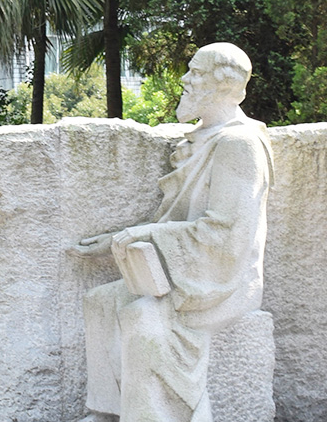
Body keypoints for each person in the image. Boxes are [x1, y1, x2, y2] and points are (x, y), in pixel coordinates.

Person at [74, 43, 274, 422]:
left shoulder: (239, 144)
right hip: (191, 272)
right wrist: (116, 240)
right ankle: (107, 412)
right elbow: (175, 220)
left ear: (222, 85)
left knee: (144, 319)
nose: (184, 79)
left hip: (223, 281)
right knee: (100, 301)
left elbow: (227, 233)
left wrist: (146, 235)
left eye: (195, 73)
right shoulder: (203, 139)